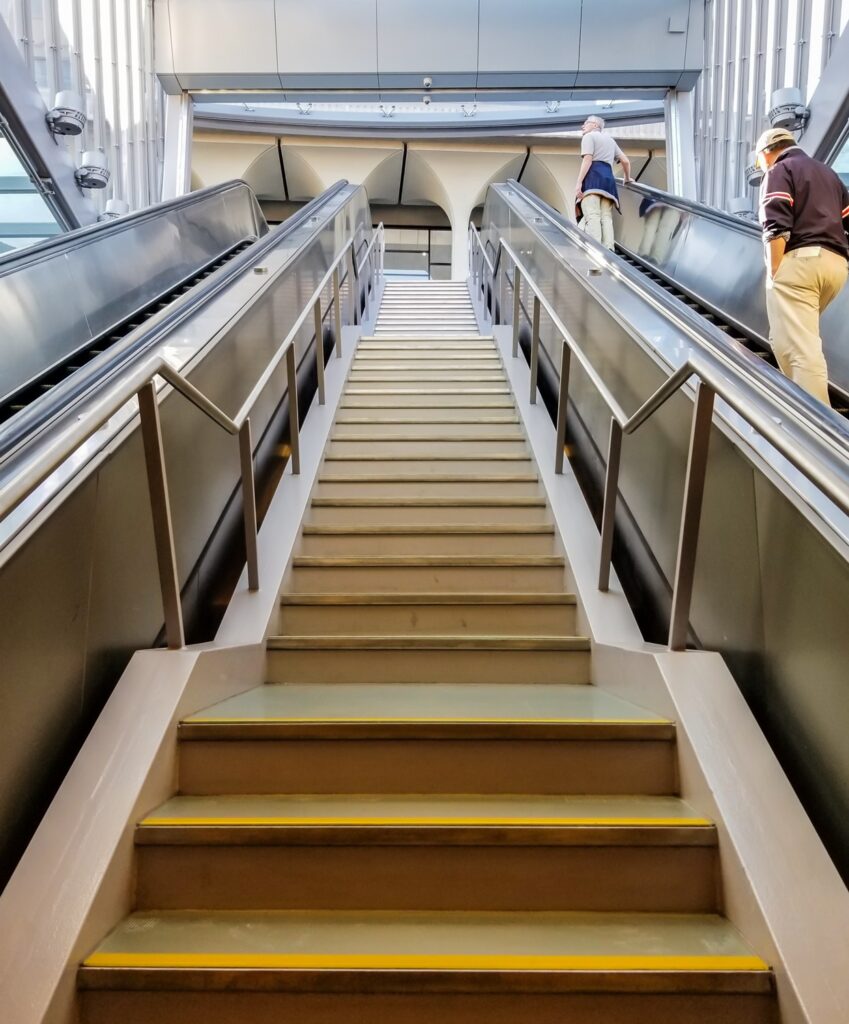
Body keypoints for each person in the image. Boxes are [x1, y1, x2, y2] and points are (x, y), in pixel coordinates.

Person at [757, 127, 849, 406]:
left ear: (766, 153)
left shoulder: (779, 169)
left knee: (797, 349)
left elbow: (776, 219)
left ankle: (817, 427)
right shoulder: (829, 175)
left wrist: (775, 271)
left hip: (801, 262)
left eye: (759, 161)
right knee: (793, 339)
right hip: (836, 266)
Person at [575, 115, 632, 249]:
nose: (583, 126)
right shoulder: (611, 141)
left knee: (592, 214)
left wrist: (578, 183)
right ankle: (609, 249)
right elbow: (626, 161)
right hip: (608, 182)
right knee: (606, 217)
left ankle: (595, 248)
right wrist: (627, 178)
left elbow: (587, 160)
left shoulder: (588, 137)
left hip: (593, 178)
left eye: (586, 123)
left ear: (595, 125)